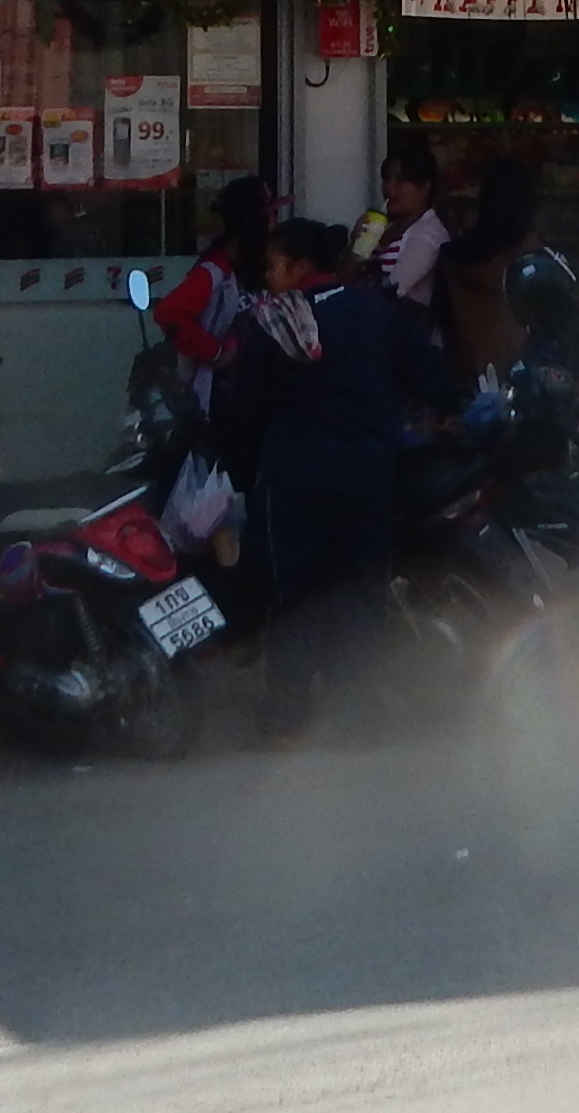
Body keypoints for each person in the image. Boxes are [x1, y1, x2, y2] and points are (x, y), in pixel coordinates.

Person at [222, 217, 454, 742]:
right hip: (365, 477)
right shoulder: (372, 310)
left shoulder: (273, 323)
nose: (268, 277)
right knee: (360, 594)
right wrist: (452, 410)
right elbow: (430, 374)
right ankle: (358, 714)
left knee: (297, 594)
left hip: (296, 480)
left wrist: (244, 465)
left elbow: (245, 406)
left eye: (273, 267)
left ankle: (287, 716)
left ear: (298, 266)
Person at [153, 176, 277, 409]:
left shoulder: (261, 271)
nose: (274, 224)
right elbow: (167, 313)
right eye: (270, 216)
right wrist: (216, 352)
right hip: (212, 399)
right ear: (252, 224)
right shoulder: (214, 271)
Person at [437, 157, 544, 380]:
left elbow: (443, 317)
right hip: (522, 377)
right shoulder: (533, 262)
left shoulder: (453, 257)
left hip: (466, 377)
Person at [364, 136, 448, 308]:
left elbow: (393, 289)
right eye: (386, 179)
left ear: (425, 188)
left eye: (400, 181)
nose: (389, 188)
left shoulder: (429, 235)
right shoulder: (385, 227)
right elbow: (344, 280)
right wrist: (359, 243)